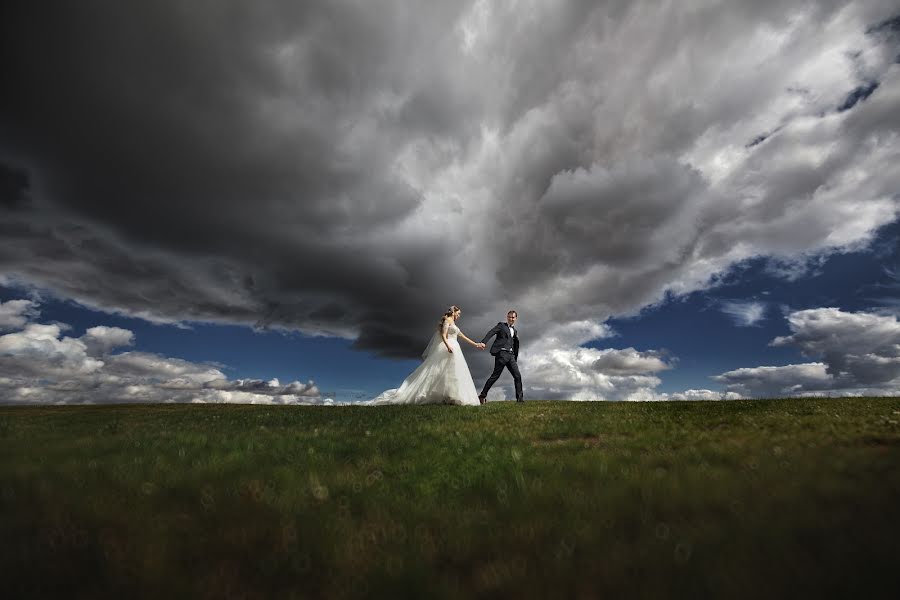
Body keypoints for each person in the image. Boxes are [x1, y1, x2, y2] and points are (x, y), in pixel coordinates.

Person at [371, 306, 486, 405]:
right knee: (440, 371)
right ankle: (441, 395)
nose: (459, 316)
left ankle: (452, 396)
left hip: (455, 347)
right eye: (458, 313)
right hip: (448, 346)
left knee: (454, 372)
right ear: (453, 312)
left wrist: (476, 344)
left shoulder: (454, 324)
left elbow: (462, 336)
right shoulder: (447, 320)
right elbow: (443, 335)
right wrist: (447, 346)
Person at [478, 310, 523, 404]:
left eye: (513, 317)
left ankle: (520, 400)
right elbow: (491, 332)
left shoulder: (515, 331)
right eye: (510, 317)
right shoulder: (501, 325)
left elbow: (515, 345)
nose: (511, 319)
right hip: (501, 353)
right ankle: (482, 396)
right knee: (495, 376)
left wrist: (515, 357)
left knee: (517, 376)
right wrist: (484, 342)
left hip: (511, 356)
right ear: (507, 317)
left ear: (516, 318)